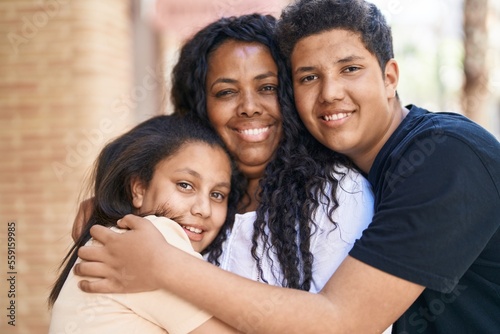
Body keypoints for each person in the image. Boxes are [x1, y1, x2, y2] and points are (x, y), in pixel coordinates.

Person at [74, 1, 500, 333]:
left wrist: (164, 265)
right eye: (308, 77)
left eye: (350, 69)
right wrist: (114, 206)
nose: (331, 93)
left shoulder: (445, 157)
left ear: (390, 77)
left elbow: (341, 322)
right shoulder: (225, 200)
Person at [71, 13, 375, 294]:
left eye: (268, 87)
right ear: (200, 108)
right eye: (226, 92)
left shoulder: (337, 195)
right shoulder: (187, 203)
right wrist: (109, 209)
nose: (249, 106)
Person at [48, 115, 245, 333]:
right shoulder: (154, 238)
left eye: (217, 194)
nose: (204, 209)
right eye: (185, 185)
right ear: (139, 189)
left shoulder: (118, 240)